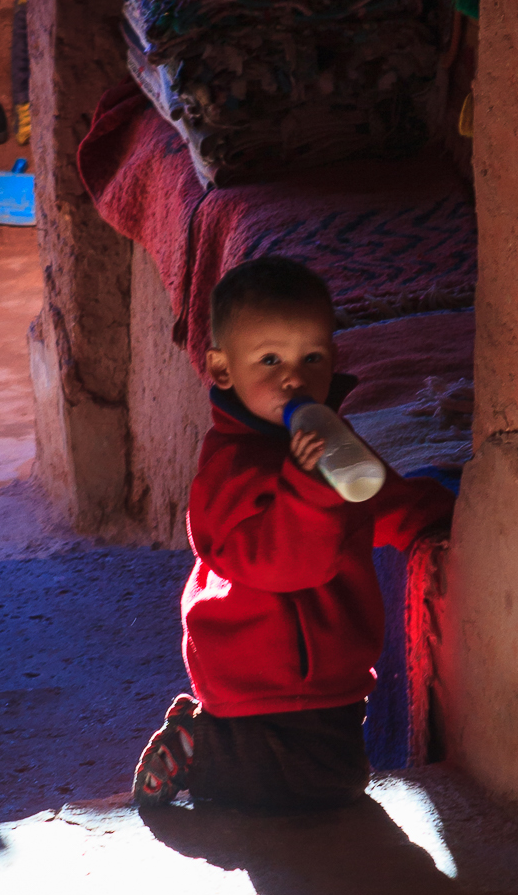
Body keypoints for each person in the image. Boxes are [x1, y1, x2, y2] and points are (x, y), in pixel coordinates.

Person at [133, 256, 454, 812]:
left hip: (333, 668)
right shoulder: (228, 467)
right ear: (223, 369)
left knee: (340, 780)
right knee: (279, 789)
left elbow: (371, 500)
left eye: (312, 357)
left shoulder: (325, 440)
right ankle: (199, 748)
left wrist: (440, 513)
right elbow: (282, 565)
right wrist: (308, 486)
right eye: (270, 359)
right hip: (255, 669)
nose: (294, 378)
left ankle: (213, 740)